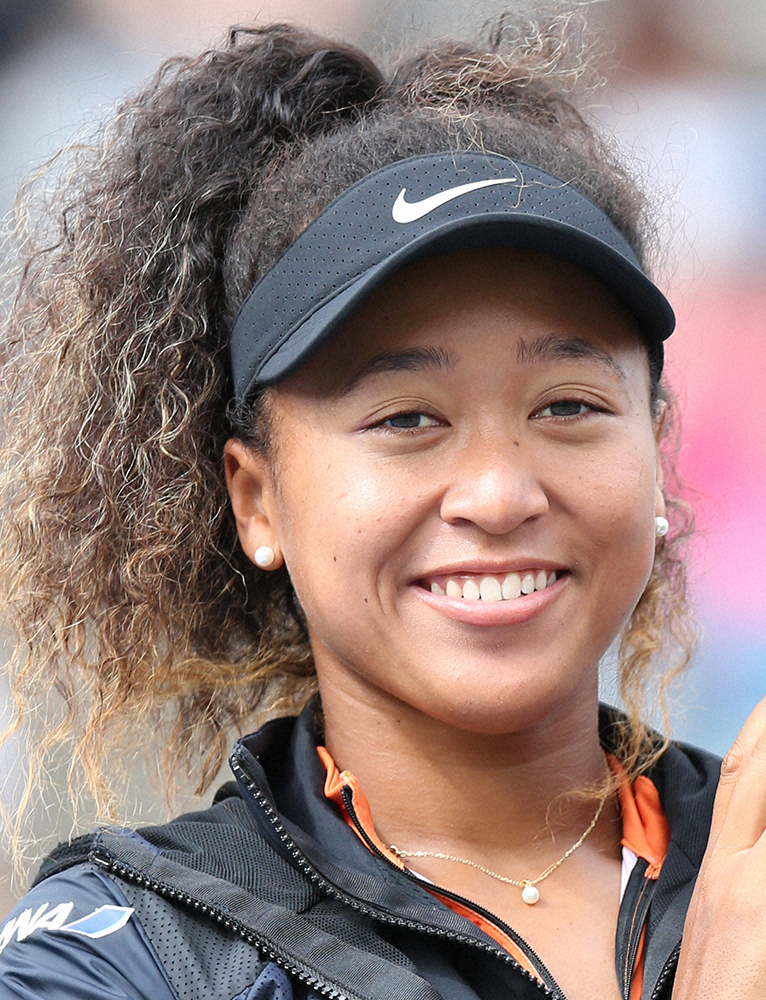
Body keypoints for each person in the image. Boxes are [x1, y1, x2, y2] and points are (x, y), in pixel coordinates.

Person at [0, 15, 764, 1000]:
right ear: (256, 499)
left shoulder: (748, 853)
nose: (499, 494)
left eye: (568, 406)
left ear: (654, 451)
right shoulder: (130, 951)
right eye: (407, 418)